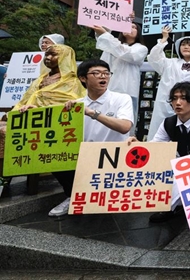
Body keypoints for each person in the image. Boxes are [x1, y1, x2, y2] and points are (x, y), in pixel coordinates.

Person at [49, 60, 134, 217]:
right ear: (83, 79)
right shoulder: (77, 104)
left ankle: (95, 196)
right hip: (85, 157)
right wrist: (31, 110)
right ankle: (72, 196)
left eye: (106, 73)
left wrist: (93, 113)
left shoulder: (121, 99)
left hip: (114, 157)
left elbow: (124, 126)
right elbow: (53, 122)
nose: (103, 76)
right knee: (54, 158)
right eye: (96, 73)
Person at [128, 82, 190, 222]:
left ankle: (178, 205)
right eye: (174, 98)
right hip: (184, 169)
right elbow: (155, 146)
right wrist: (138, 146)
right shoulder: (169, 123)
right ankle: (173, 206)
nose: (178, 103)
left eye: (183, 98)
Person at [0, 44, 86, 192]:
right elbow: (23, 101)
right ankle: (3, 178)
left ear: (65, 58)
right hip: (27, 120)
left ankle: (5, 178)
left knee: (6, 134)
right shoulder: (39, 79)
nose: (48, 58)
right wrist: (8, 116)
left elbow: (73, 107)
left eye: (53, 54)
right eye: (46, 55)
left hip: (52, 125)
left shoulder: (73, 83)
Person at [147, 26, 190, 141]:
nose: (186, 47)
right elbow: (153, 57)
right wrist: (164, 39)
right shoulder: (170, 63)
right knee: (163, 137)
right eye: (183, 44)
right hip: (168, 107)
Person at [92, 22, 148, 126]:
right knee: (104, 119)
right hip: (108, 88)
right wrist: (102, 31)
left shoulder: (141, 48)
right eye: (127, 26)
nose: (129, 28)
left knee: (124, 119)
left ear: (139, 33)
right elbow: (106, 46)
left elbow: (127, 54)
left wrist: (106, 34)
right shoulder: (113, 45)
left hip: (127, 90)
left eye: (133, 27)